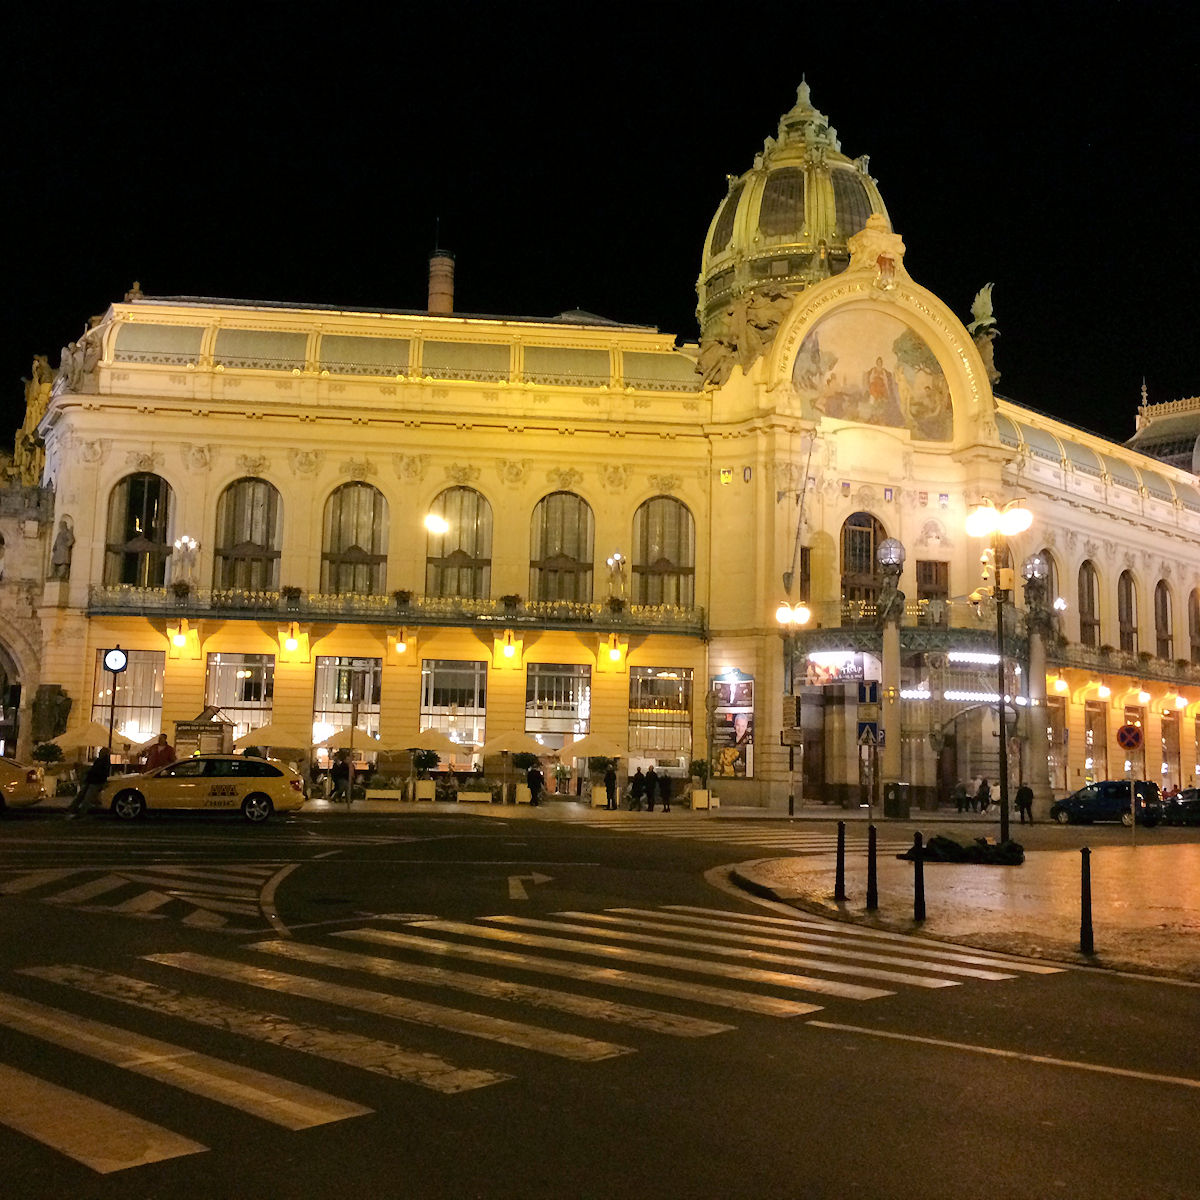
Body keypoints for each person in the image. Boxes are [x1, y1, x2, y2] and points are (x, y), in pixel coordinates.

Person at [66, 747, 111, 818]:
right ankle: (74, 809)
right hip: (93, 780)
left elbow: (100, 772)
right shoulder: (101, 761)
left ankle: (79, 812)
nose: (99, 753)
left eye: (101, 752)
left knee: (86, 798)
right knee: (83, 796)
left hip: (95, 781)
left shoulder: (103, 762)